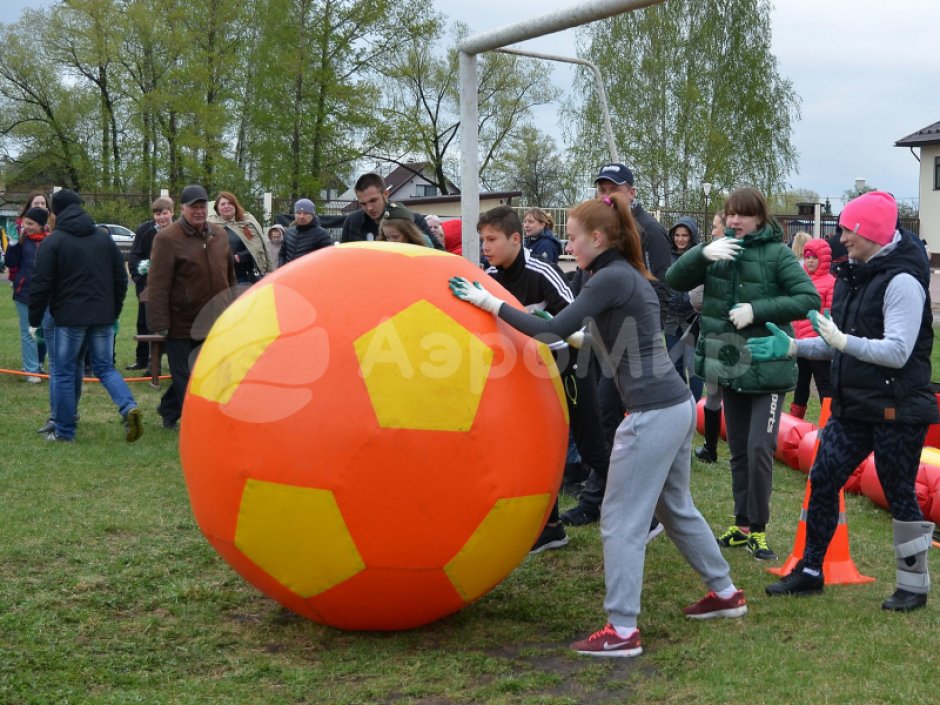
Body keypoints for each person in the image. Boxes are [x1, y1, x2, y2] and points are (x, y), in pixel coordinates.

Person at [450, 193, 746, 657]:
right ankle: (725, 593)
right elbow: (601, 338)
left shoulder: (609, 276)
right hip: (675, 407)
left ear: (598, 237)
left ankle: (622, 630)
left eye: (572, 237)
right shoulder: (622, 273)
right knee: (674, 506)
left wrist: (490, 302)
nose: (568, 245)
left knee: (620, 519)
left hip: (653, 413)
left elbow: (550, 332)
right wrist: (562, 329)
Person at [755, 191, 937, 612]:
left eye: (847, 230)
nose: (842, 238)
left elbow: (897, 352)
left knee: (899, 492)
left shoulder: (903, 283)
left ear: (869, 231)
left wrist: (841, 342)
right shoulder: (854, 276)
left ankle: (913, 586)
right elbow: (838, 343)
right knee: (823, 476)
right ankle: (811, 570)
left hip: (897, 407)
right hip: (854, 404)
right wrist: (795, 348)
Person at [666, 186, 819, 561]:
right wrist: (702, 253)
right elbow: (673, 279)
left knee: (759, 448)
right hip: (729, 362)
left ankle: (760, 530)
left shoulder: (778, 254)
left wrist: (757, 310)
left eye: (743, 214)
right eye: (731, 213)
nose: (735, 220)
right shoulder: (718, 252)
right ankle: (741, 524)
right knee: (737, 448)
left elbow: (808, 298)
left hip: (766, 367)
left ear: (760, 218)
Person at [478, 205, 611, 554]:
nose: (485, 247)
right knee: (537, 447)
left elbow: (578, 325)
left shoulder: (541, 271)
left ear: (515, 239)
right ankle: (551, 528)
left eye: (492, 239)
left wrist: (537, 319)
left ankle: (649, 515)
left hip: (571, 365)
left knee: (591, 447)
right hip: (527, 373)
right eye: (482, 240)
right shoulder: (488, 276)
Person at [560, 163, 671, 528]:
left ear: (631, 192)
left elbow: (659, 287)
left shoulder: (648, 231)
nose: (606, 195)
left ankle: (605, 500)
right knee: (595, 416)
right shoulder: (594, 231)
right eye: (601, 189)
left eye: (614, 189)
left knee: (608, 417)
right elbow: (585, 282)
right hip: (594, 339)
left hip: (626, 347)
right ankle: (605, 496)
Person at [27, 189, 143, 443]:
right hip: (102, 316)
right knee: (106, 368)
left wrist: (34, 320)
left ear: (56, 212)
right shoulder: (103, 239)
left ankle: (64, 431)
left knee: (64, 373)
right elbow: (120, 278)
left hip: (69, 319)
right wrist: (114, 311)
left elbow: (40, 284)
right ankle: (128, 406)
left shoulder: (53, 241)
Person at [147, 185, 236, 431]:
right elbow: (157, 284)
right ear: (183, 209)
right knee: (185, 376)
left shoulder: (219, 234)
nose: (199, 211)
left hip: (215, 319)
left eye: (202, 206)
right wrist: (160, 322)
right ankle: (200, 424)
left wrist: (233, 307)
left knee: (209, 373)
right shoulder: (167, 239)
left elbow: (230, 274)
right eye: (193, 207)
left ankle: (168, 409)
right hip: (181, 322)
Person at [788, 238, 834, 418]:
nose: (810, 261)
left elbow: (830, 312)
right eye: (807, 257)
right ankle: (795, 422)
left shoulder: (830, 283)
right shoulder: (802, 281)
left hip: (818, 343)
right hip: (801, 343)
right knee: (800, 385)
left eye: (814, 257)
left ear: (823, 259)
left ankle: (828, 423)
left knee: (824, 385)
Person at [126, 197, 174, 372]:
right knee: (144, 322)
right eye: (157, 214)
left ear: (172, 213)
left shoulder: (179, 231)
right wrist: (139, 277)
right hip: (147, 285)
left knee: (170, 324)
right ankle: (142, 359)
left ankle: (169, 361)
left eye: (164, 213)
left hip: (173, 286)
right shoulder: (144, 230)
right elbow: (134, 255)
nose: (161, 217)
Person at [695, 212, 727, 463]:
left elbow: (695, 297)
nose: (712, 232)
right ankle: (711, 447)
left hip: (719, 334)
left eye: (716, 227)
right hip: (723, 334)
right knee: (718, 393)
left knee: (717, 393)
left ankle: (711, 448)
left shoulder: (715, 258)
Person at [340, 173, 441, 248]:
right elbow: (343, 257)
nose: (369, 208)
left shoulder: (414, 220)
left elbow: (439, 254)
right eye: (363, 204)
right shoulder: (352, 222)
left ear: (386, 194)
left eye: (373, 200)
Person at [6, 206, 48, 383]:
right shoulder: (22, 242)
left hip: (46, 294)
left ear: (41, 226)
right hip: (24, 293)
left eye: (31, 224)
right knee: (28, 331)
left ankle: (39, 364)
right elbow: (10, 262)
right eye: (26, 223)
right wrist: (13, 245)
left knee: (44, 332)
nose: (26, 226)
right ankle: (31, 370)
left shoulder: (50, 242)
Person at [664, 216, 702, 401]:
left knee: (693, 367)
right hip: (671, 319)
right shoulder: (666, 256)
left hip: (691, 318)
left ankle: (695, 405)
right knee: (674, 365)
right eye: (677, 235)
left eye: (684, 235)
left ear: (691, 236)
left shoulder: (697, 256)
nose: (680, 239)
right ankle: (681, 404)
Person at [208, 191, 272, 283]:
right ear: (217, 208)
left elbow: (257, 247)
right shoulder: (211, 224)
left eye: (230, 203)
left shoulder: (246, 221)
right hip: (220, 276)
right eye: (223, 204)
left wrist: (239, 257)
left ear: (235, 205)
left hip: (244, 275)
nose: (226, 206)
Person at [278, 199, 333, 266]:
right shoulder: (289, 232)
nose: (301, 216)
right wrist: (281, 267)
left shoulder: (322, 235)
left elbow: (328, 259)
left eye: (306, 213)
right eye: (298, 213)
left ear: (312, 215)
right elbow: (282, 254)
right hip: (289, 272)